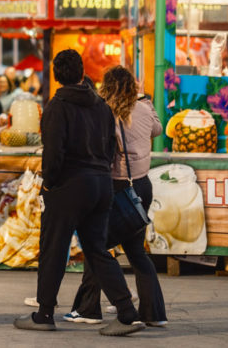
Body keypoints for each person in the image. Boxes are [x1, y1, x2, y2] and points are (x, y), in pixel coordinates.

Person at [13, 50, 144, 336]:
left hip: (69, 186)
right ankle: (127, 313)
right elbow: (111, 146)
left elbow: (54, 153)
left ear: (56, 75)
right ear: (82, 72)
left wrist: (49, 184)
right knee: (97, 249)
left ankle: (44, 313)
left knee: (53, 249)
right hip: (101, 184)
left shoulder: (57, 106)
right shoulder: (101, 105)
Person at [66, 66, 166, 327]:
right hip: (142, 188)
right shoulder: (144, 109)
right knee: (136, 252)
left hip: (115, 190)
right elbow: (157, 129)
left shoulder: (104, 113)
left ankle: (88, 309)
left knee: (95, 247)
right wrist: (145, 99)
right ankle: (154, 314)